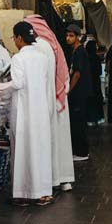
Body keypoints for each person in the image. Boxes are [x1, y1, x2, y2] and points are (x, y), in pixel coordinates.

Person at [25, 14, 75, 192]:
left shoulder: (37, 47)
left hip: (44, 99)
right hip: (57, 99)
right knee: (60, 141)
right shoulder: (52, 45)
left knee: (47, 140)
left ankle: (49, 180)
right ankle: (63, 179)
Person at [10, 21, 54, 205]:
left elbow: (18, 83)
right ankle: (42, 193)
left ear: (20, 38)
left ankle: (23, 194)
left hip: (24, 112)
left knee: (23, 150)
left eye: (14, 38)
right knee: (40, 150)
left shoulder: (18, 58)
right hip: (40, 111)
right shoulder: (42, 57)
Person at [65, 23, 91, 161]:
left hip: (79, 92)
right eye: (67, 35)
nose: (68, 38)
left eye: (71, 36)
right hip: (78, 92)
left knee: (78, 122)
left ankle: (82, 152)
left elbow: (77, 74)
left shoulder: (80, 52)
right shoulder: (75, 51)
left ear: (77, 37)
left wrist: (69, 89)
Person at [85, 34, 105, 125]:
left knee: (90, 100)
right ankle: (100, 117)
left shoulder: (86, 58)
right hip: (96, 81)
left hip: (88, 82)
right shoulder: (96, 58)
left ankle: (91, 119)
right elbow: (100, 72)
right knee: (97, 99)